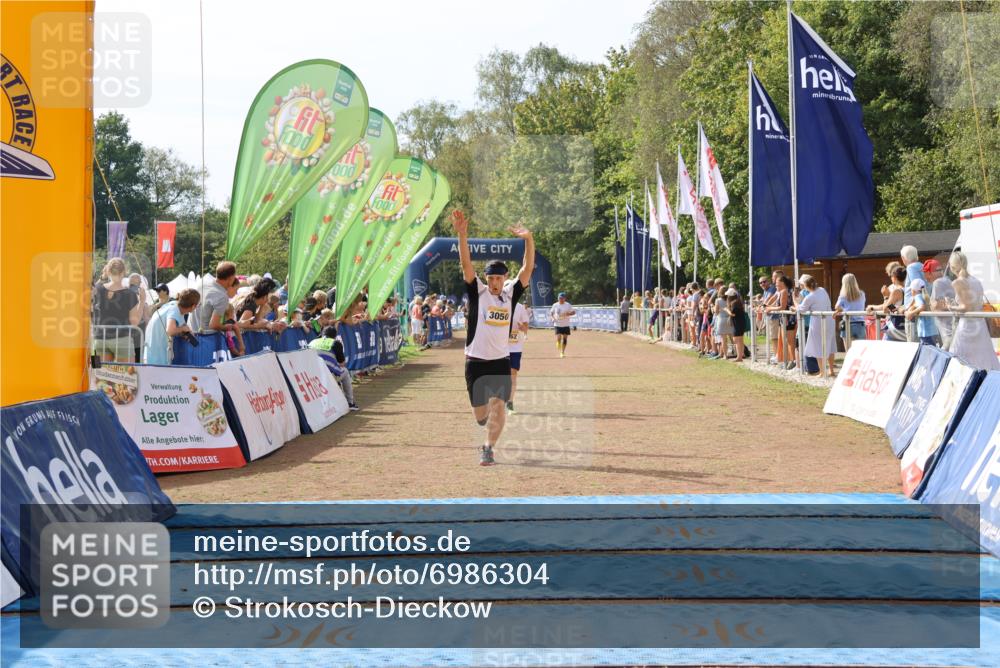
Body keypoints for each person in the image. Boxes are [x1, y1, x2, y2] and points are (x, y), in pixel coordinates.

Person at [454, 209, 534, 466]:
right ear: (486, 279)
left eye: (499, 278)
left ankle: (488, 448)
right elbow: (466, 265)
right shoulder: (478, 292)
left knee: (499, 406)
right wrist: (462, 235)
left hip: (500, 361)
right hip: (475, 361)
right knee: (481, 416)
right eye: (491, 278)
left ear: (505, 278)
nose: (495, 282)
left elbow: (527, 268)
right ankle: (483, 418)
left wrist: (528, 239)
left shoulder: (511, 294)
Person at [947, 251, 999, 370]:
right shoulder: (976, 280)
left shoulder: (958, 282)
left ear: (952, 266)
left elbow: (965, 307)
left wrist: (951, 307)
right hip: (980, 325)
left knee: (959, 359)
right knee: (984, 358)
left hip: (967, 326)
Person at [93, 258, 141, 362]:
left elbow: (93, 289)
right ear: (124, 272)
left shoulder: (98, 289)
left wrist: (103, 276)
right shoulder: (130, 294)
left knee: (98, 371)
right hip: (122, 339)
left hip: (99, 338)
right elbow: (135, 322)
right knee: (128, 371)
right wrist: (142, 301)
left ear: (108, 271)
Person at [143, 288, 200, 365]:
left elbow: (178, 327)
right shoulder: (175, 310)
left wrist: (182, 331)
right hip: (157, 354)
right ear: (193, 306)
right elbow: (170, 331)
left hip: (151, 350)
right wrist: (183, 329)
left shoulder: (174, 305)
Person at [309, 325, 360, 410]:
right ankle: (350, 403)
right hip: (327, 376)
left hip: (310, 376)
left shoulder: (312, 342)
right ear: (335, 336)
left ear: (322, 334)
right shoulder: (335, 343)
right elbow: (342, 363)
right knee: (345, 371)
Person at [795, 275, 837, 377]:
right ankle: (831, 370)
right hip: (829, 320)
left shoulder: (810, 297)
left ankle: (822, 371)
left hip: (818, 322)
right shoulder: (822, 290)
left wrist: (794, 302)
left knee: (817, 346)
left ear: (805, 285)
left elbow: (801, 309)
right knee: (830, 345)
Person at [190, 261, 241, 337]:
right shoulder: (222, 296)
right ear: (230, 278)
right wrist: (227, 327)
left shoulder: (203, 283)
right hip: (206, 337)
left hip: (192, 333)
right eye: (234, 276)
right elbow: (214, 325)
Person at [868, 266, 907, 341]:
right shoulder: (908, 290)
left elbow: (885, 308)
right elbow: (891, 307)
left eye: (891, 276)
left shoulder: (896, 291)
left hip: (894, 329)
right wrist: (873, 307)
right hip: (903, 328)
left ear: (894, 277)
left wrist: (885, 296)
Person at [926, 258, 956, 348]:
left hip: (947, 331)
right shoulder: (947, 280)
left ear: (930, 273)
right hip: (951, 328)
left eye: (926, 273)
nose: (925, 276)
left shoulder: (938, 282)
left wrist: (929, 304)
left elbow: (936, 306)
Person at [507, 301, 530, 414]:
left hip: (515, 348)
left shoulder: (520, 307)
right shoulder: (496, 303)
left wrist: (522, 327)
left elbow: (526, 327)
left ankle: (510, 403)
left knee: (513, 374)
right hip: (498, 347)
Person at [834, 273, 867, 349]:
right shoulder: (862, 294)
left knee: (849, 352)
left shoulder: (843, 296)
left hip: (848, 324)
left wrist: (844, 309)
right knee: (860, 351)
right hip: (860, 324)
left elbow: (837, 307)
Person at [904, 278, 939, 346]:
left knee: (927, 349)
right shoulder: (925, 296)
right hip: (932, 330)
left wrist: (911, 313)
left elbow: (922, 306)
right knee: (932, 348)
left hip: (925, 331)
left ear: (914, 290)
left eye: (911, 290)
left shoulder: (918, 296)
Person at [550, 292, 575, 358]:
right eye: (559, 298)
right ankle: (558, 342)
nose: (560, 299)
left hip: (566, 324)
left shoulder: (568, 305)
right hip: (557, 324)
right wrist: (552, 318)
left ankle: (562, 352)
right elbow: (551, 313)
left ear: (564, 298)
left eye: (562, 298)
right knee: (559, 337)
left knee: (565, 339)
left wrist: (568, 314)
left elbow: (574, 312)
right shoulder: (555, 305)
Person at [725, 289, 747, 362]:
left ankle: (739, 357)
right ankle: (741, 355)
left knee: (737, 340)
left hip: (738, 324)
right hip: (740, 323)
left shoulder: (734, 303)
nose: (727, 297)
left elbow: (733, 314)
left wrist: (726, 310)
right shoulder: (737, 302)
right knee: (740, 340)